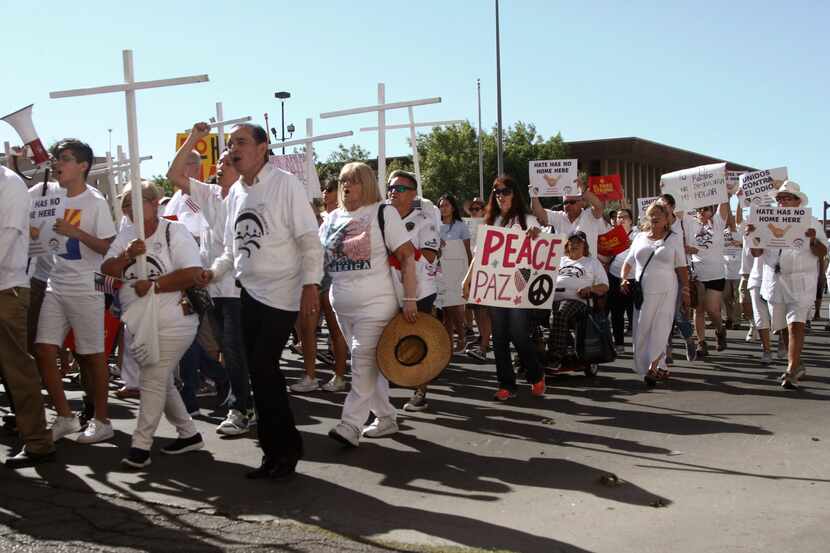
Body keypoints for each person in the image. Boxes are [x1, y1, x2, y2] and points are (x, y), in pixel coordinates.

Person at [198, 123, 323, 479]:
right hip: (247, 294)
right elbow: (230, 249)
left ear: (263, 147)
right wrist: (213, 272)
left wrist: (310, 285)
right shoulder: (235, 192)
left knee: (264, 368)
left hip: (282, 293)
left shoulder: (285, 185)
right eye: (230, 144)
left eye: (241, 142)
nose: (233, 149)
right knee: (260, 373)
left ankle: (283, 452)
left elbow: (308, 240)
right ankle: (279, 450)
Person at [101, 182, 205, 468]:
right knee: (161, 379)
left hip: (175, 321)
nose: (129, 208)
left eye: (135, 201)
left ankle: (141, 446)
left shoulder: (174, 231)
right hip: (139, 322)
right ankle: (189, 433)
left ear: (154, 203)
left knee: (152, 377)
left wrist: (155, 286)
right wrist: (127, 257)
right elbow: (106, 269)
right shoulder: (125, 235)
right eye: (124, 203)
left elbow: (193, 273)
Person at [320, 162, 418, 446]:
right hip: (342, 306)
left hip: (376, 304)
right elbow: (317, 258)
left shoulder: (382, 212)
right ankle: (386, 418)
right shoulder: (331, 218)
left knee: (362, 361)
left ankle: (350, 425)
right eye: (342, 181)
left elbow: (408, 256)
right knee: (368, 364)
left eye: (354, 180)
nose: (346, 186)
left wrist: (410, 300)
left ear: (367, 184)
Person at [168, 124, 251, 436]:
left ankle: (241, 407)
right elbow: (174, 176)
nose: (220, 166)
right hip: (211, 288)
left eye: (228, 162)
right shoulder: (209, 194)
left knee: (233, 349)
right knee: (223, 349)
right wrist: (193, 140)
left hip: (239, 288)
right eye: (219, 163)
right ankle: (241, 401)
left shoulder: (249, 197)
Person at [34, 139, 117, 444]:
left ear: (82, 166)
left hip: (86, 287)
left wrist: (76, 233)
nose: (58, 163)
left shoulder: (94, 201)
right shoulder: (50, 195)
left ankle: (102, 420)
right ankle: (66, 416)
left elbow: (108, 246)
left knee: (93, 355)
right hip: (56, 284)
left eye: (65, 159)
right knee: (44, 349)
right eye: (57, 158)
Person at [463, 175, 545, 401]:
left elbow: (544, 246)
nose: (501, 196)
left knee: (519, 334)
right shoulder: (491, 222)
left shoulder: (528, 219)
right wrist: (467, 279)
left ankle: (536, 374)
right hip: (496, 287)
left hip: (519, 286)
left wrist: (535, 236)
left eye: (506, 191)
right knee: (498, 336)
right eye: (497, 192)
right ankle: (506, 384)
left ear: (514, 194)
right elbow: (480, 255)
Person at [0, 164, 55, 468]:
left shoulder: (9, 183)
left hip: (7, 290)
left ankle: (37, 442)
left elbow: (6, 238)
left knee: (17, 369)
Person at [751, 181, 828, 389]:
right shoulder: (766, 221)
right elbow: (756, 253)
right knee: (782, 326)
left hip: (801, 281)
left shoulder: (811, 222)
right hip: (775, 280)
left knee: (796, 323)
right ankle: (796, 362)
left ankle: (791, 369)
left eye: (787, 198)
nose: (783, 201)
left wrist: (812, 239)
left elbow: (822, 252)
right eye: (780, 198)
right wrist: (752, 236)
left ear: (797, 201)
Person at [385, 170, 440, 412]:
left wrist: (398, 255)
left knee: (418, 341)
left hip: (419, 291)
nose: (393, 192)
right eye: (391, 188)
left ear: (413, 194)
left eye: (400, 188)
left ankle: (421, 391)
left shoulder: (423, 222)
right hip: (388, 290)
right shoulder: (382, 219)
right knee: (390, 339)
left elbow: (429, 255)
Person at [290, 177, 349, 394]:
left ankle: (340, 377)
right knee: (307, 330)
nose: (325, 192)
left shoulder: (341, 217)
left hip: (332, 277)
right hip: (311, 278)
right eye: (324, 189)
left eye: (330, 189)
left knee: (336, 329)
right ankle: (310, 376)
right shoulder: (317, 217)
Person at [622, 203, 690, 387]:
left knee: (661, 328)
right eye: (652, 214)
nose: (655, 217)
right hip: (643, 292)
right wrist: (623, 279)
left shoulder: (674, 239)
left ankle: (653, 368)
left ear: (667, 218)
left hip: (667, 289)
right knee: (642, 329)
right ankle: (657, 365)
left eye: (659, 214)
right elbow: (628, 262)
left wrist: (686, 291)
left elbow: (682, 267)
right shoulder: (639, 237)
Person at [547, 231, 609, 364]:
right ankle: (529, 355)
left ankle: (555, 355)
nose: (574, 245)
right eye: (572, 242)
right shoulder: (559, 260)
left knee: (560, 312)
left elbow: (605, 286)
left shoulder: (592, 262)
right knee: (529, 314)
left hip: (578, 300)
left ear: (584, 246)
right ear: (567, 245)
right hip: (550, 299)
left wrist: (590, 289)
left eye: (578, 243)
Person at [683, 201, 732, 357]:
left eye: (706, 209)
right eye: (699, 210)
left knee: (713, 309)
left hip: (716, 273)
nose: (702, 212)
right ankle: (701, 343)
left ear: (711, 212)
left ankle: (720, 330)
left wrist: (724, 188)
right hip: (698, 274)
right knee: (699, 309)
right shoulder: (690, 224)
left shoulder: (717, 223)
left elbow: (723, 204)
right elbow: (678, 208)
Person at [655, 194, 697, 362]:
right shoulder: (656, 225)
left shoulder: (683, 223)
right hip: (661, 273)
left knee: (677, 314)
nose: (661, 209)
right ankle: (667, 350)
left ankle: (688, 339)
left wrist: (685, 248)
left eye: (664, 206)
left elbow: (695, 245)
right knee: (662, 313)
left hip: (679, 272)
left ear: (672, 207)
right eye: (658, 206)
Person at [436, 194, 472, 352]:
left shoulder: (461, 226)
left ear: (453, 207)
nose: (443, 208)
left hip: (458, 270)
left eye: (447, 205)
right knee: (445, 308)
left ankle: (462, 337)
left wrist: (470, 273)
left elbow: (467, 250)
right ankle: (449, 342)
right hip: (440, 270)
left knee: (455, 306)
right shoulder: (434, 226)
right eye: (441, 205)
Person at [530, 178, 607, 253]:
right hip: (564, 265)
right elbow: (538, 212)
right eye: (565, 203)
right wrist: (533, 194)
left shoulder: (590, 215)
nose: (568, 205)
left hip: (587, 265)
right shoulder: (559, 217)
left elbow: (599, 206)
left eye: (572, 202)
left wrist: (583, 191)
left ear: (581, 203)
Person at [605, 208, 636, 353]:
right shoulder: (610, 235)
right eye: (618, 217)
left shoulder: (638, 234)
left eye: (624, 217)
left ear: (631, 220)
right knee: (616, 312)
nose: (621, 219)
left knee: (635, 312)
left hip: (634, 278)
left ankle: (638, 342)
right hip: (615, 276)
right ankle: (619, 343)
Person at [464, 197, 491, 360]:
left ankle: (484, 345)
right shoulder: (468, 226)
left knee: (484, 310)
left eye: (478, 208)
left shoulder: (489, 224)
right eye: (472, 209)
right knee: (477, 310)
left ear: (484, 210)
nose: (474, 211)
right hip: (474, 268)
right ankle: (483, 338)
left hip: (486, 270)